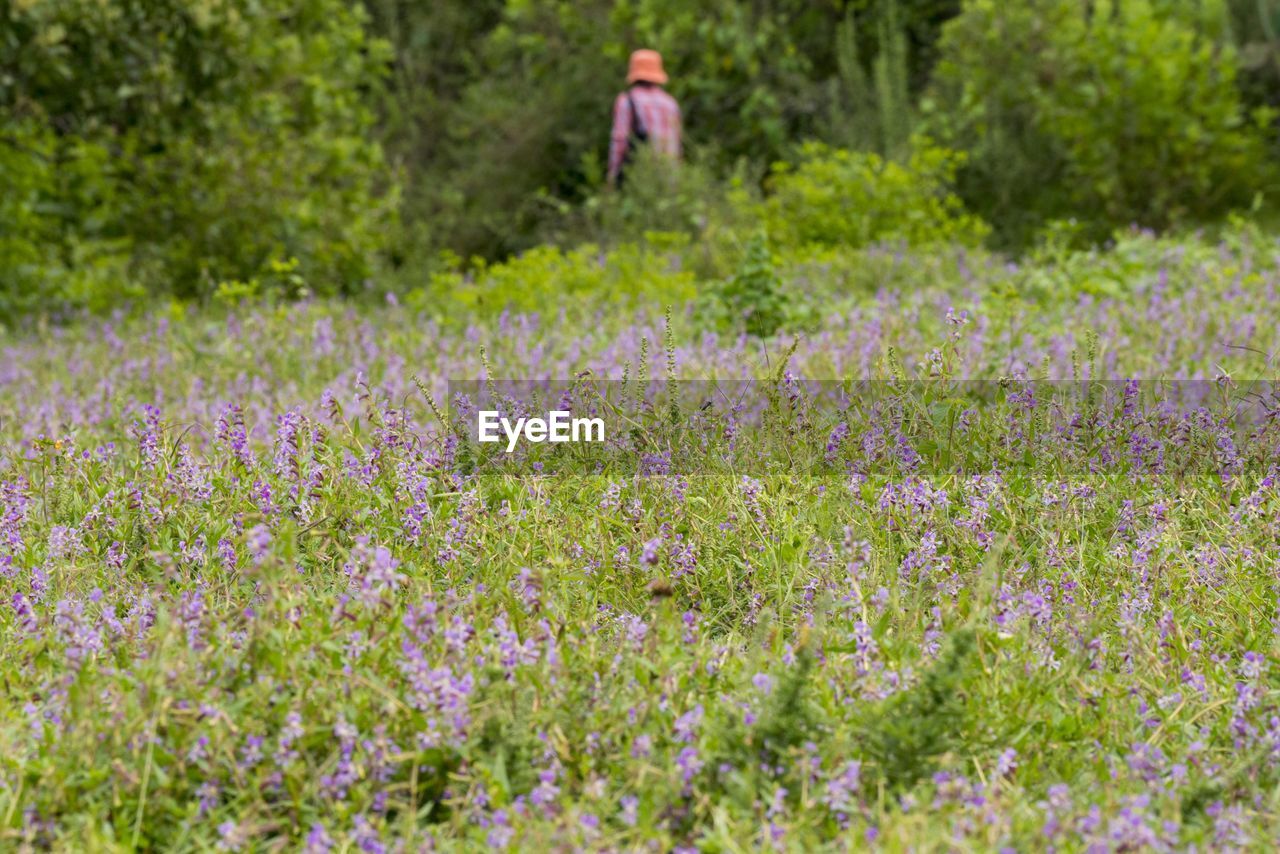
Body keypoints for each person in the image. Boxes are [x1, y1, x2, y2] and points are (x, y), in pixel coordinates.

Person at [607, 49, 682, 187]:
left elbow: (619, 141)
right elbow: (677, 144)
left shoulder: (627, 101)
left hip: (641, 178)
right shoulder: (671, 103)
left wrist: (612, 177)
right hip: (670, 178)